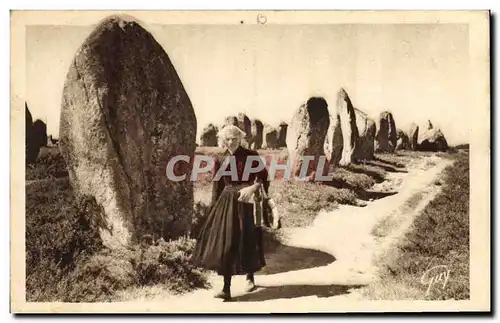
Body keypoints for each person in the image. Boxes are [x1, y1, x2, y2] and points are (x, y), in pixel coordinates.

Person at [192, 125, 270, 301]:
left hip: (247, 201)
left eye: (234, 138)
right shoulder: (220, 157)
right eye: (227, 138)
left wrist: (252, 188)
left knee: (248, 238)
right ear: (222, 139)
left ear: (240, 138)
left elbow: (263, 177)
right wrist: (214, 208)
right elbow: (217, 184)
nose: (230, 142)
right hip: (227, 202)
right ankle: (226, 288)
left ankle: (250, 276)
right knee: (227, 242)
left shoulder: (251, 156)